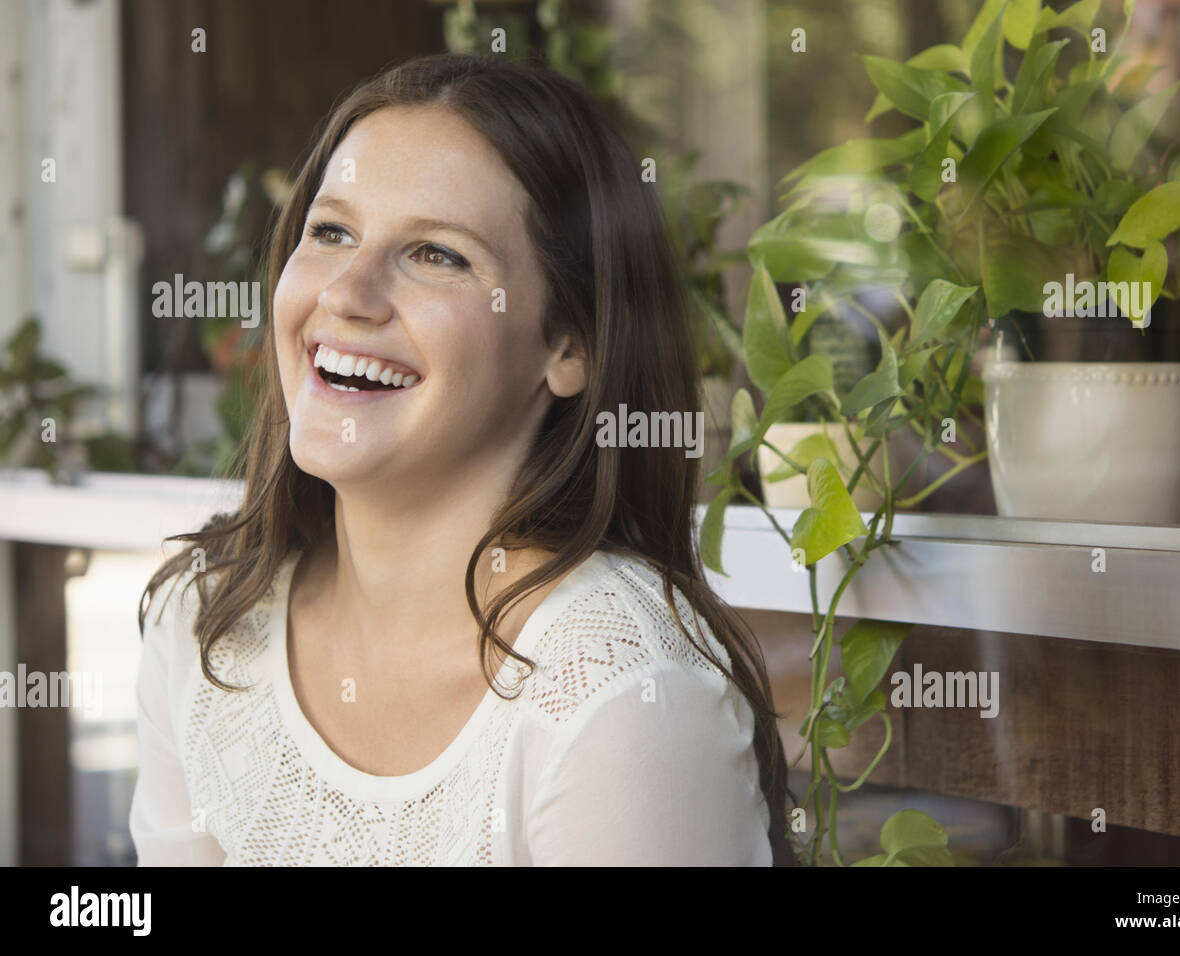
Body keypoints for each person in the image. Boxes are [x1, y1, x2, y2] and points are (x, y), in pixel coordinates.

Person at [129, 52, 794, 866]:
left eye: (437, 255)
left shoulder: (622, 689)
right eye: (331, 231)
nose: (346, 293)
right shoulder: (207, 622)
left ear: (569, 345)